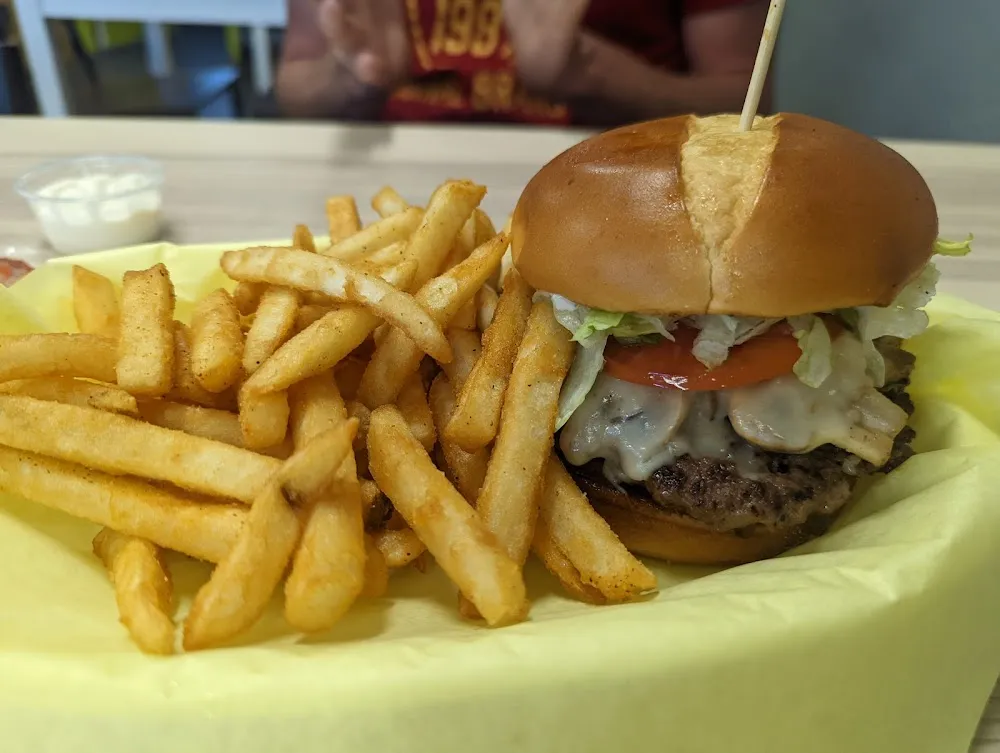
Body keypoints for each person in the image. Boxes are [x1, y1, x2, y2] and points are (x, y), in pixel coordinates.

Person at [276, 0, 770, 128]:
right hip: (385, 173)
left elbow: (748, 94)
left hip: (611, 173)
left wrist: (595, 74)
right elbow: (294, 84)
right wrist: (355, 75)